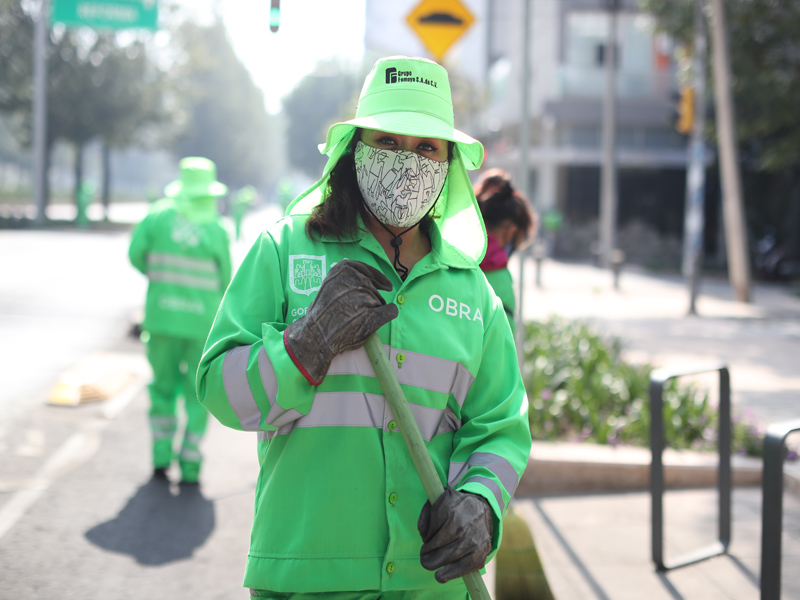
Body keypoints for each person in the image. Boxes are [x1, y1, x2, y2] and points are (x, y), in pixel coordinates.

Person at [197, 56, 531, 599]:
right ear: (356, 151)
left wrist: (481, 503)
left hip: (431, 585)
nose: (408, 162)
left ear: (449, 163)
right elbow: (219, 391)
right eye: (389, 142)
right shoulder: (284, 252)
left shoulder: (475, 295)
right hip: (304, 578)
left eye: (427, 147)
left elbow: (499, 427)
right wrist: (303, 346)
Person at [129, 156, 232, 485]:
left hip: (161, 320)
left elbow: (135, 255)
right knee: (199, 394)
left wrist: (161, 280)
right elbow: (227, 277)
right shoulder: (216, 228)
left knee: (162, 389)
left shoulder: (157, 218)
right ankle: (190, 463)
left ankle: (160, 457)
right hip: (202, 327)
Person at [474, 168, 537, 334]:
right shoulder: (498, 277)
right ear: (511, 230)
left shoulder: (452, 253)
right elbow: (502, 351)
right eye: (520, 240)